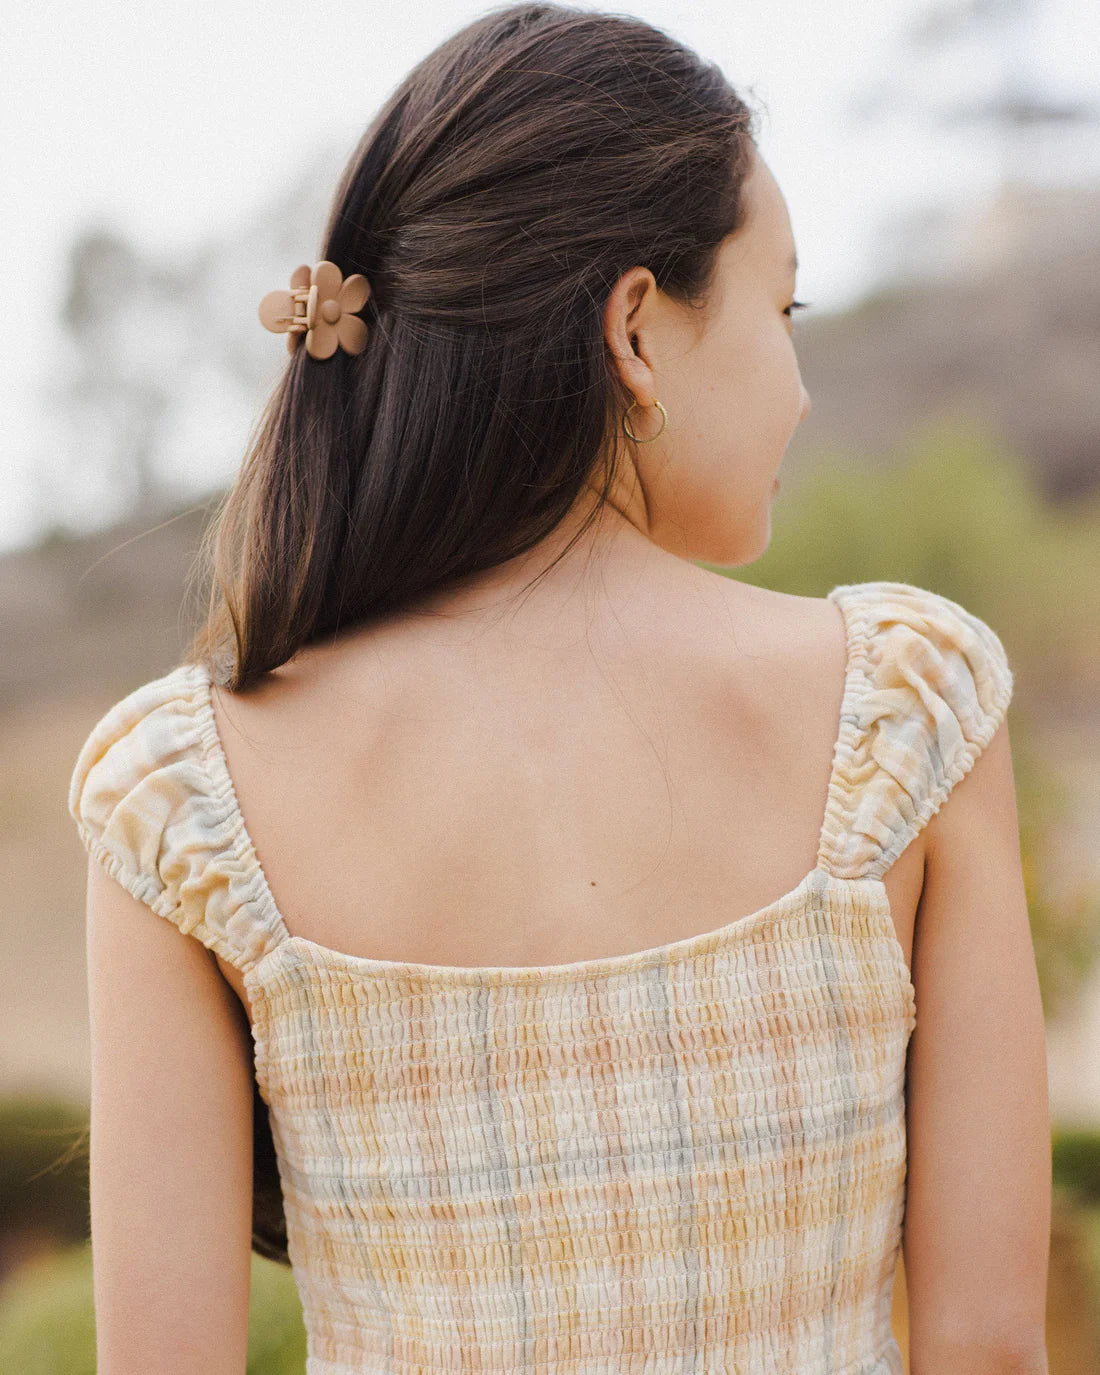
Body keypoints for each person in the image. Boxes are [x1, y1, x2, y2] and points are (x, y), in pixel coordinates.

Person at [68, 4, 1051, 1371]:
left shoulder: (183, 797)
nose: (805, 390)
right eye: (782, 309)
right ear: (637, 330)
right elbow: (989, 1344)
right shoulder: (907, 713)